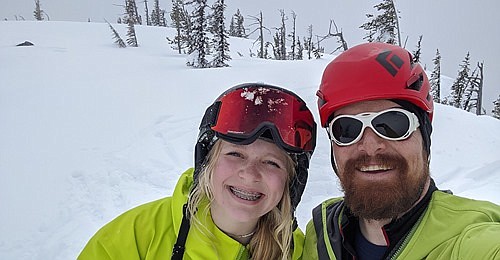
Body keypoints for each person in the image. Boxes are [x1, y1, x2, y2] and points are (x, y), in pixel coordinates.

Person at [303, 42, 500, 259]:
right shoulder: (319, 236)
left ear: (424, 135)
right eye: (347, 129)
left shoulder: (468, 240)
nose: (369, 146)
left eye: (393, 124)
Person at [78, 83, 317, 260]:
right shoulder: (135, 237)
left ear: (291, 182)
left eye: (271, 163)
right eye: (235, 154)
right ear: (207, 163)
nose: (250, 174)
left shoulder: (296, 252)